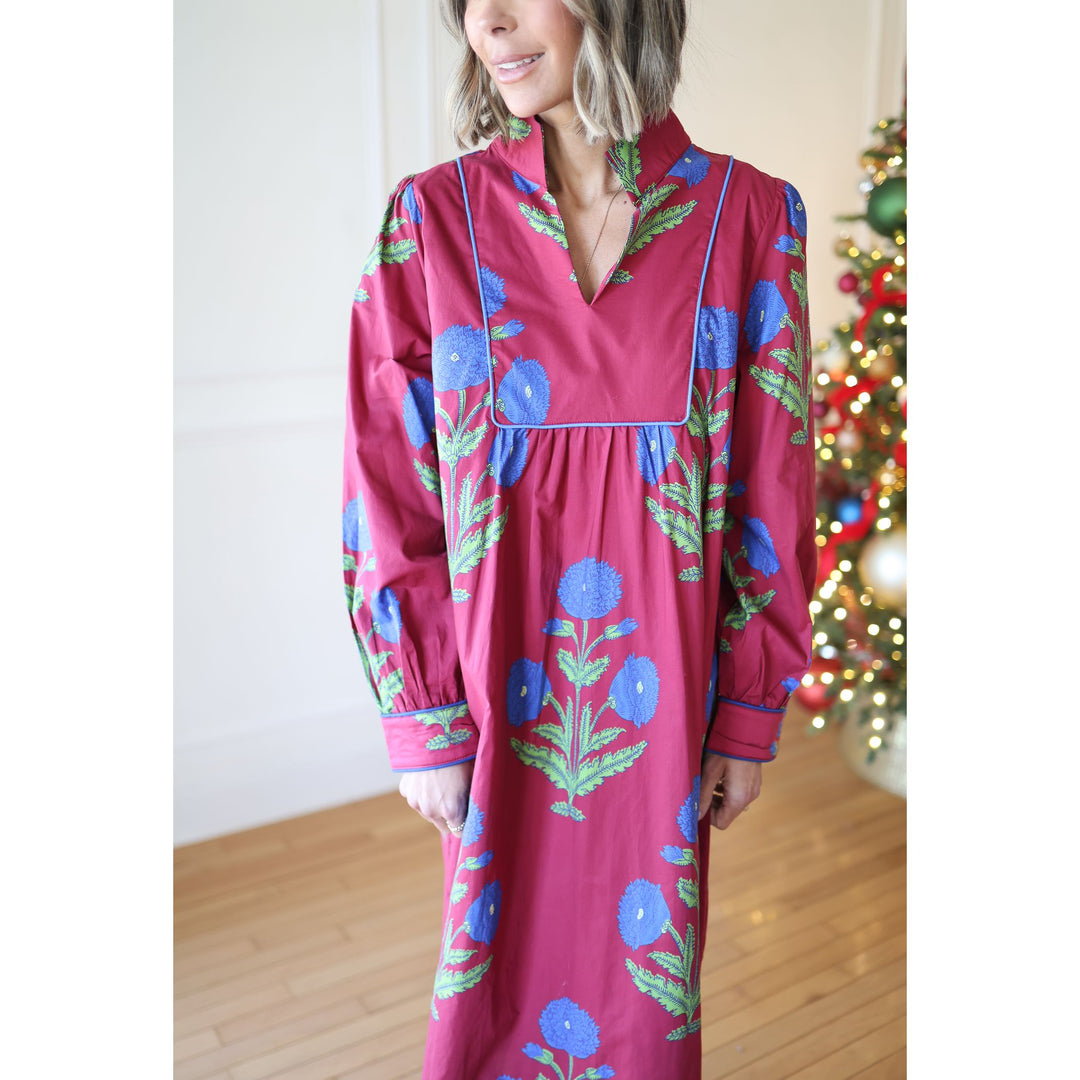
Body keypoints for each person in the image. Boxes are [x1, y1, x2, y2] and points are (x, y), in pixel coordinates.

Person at [341, 0, 816, 1075]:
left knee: (642, 1006)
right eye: (470, 4)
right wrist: (419, 712)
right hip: (492, 701)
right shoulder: (428, 221)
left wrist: (747, 710)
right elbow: (388, 482)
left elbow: (775, 485)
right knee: (493, 989)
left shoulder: (748, 219)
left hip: (663, 718)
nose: (489, 23)